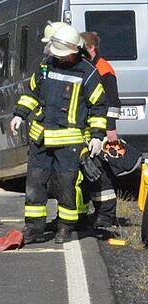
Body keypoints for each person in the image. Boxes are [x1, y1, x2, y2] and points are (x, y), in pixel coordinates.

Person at [11, 23, 107, 245]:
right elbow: (32, 93)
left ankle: (65, 226)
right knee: (35, 183)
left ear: (74, 50)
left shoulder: (88, 73)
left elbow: (99, 106)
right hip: (41, 138)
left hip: (69, 143)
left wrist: (96, 135)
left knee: (65, 185)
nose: (58, 57)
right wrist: (20, 114)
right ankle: (34, 227)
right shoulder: (46, 65)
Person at [77, 31, 121, 228]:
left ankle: (106, 214)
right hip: (89, 127)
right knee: (89, 172)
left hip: (101, 128)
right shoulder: (89, 67)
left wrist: (110, 129)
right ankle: (94, 212)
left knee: (100, 171)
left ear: (91, 48)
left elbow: (113, 102)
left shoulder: (104, 69)